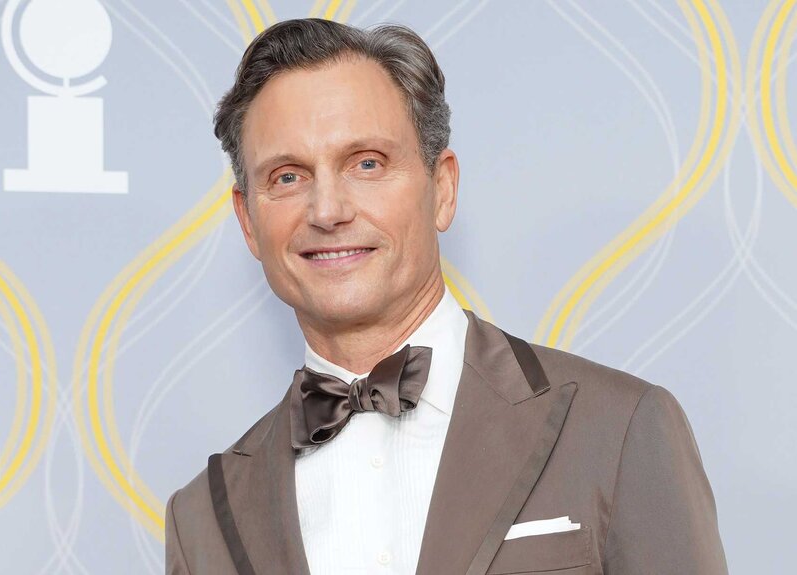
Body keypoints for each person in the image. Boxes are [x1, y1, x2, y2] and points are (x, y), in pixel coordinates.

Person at [165, 18, 728, 575]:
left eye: (367, 163)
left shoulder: (619, 428)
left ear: (443, 188)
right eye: (288, 177)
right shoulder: (203, 518)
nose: (328, 210)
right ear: (247, 220)